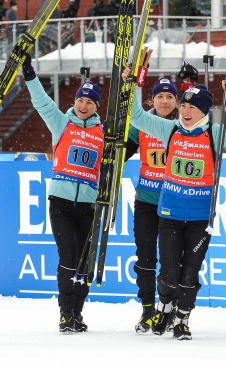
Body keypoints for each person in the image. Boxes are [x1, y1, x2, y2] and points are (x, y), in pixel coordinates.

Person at [122, 65, 226, 340]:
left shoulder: (213, 134)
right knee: (168, 272)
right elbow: (135, 116)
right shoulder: (169, 129)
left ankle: (181, 319)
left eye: (193, 108)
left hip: (200, 219)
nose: (187, 112)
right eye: (185, 106)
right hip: (169, 214)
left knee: (190, 273)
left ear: (204, 112)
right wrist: (132, 86)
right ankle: (163, 305)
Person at [21, 53, 103, 333]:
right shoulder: (61, 123)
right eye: (80, 99)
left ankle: (77, 312)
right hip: (61, 203)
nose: (83, 105)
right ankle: (65, 312)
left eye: (89, 102)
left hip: (89, 207)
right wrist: (30, 74)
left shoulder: (104, 134)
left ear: (96, 107)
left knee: (85, 263)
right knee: (68, 257)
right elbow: (42, 103)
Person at [122, 78, 180, 334]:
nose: (164, 101)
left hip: (176, 202)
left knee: (172, 261)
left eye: (169, 97)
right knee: (145, 258)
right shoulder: (143, 122)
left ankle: (171, 308)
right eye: (159, 97)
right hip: (146, 200)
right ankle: (147, 310)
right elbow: (125, 150)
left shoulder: (185, 122)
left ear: (176, 100)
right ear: (152, 100)